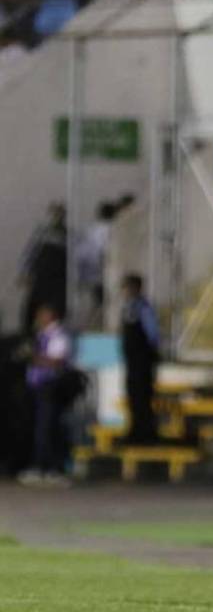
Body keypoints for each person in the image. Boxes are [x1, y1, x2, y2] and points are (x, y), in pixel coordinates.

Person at [20, 305, 74, 487]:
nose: (39, 318)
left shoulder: (58, 335)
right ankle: (41, 466)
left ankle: (53, 469)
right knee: (41, 428)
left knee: (49, 428)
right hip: (39, 388)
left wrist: (32, 357)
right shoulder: (41, 335)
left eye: (42, 315)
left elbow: (57, 360)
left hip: (50, 388)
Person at [119, 274, 160, 445]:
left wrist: (150, 353)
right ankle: (135, 430)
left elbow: (152, 334)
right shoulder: (128, 308)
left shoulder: (143, 308)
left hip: (142, 360)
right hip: (132, 361)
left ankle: (146, 432)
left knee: (143, 396)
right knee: (133, 396)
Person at [19, 203, 68, 335]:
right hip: (42, 277)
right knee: (33, 306)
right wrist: (25, 272)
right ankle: (28, 334)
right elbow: (30, 252)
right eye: (55, 214)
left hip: (59, 279)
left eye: (60, 214)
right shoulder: (42, 233)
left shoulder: (68, 235)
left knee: (57, 308)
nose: (57, 217)